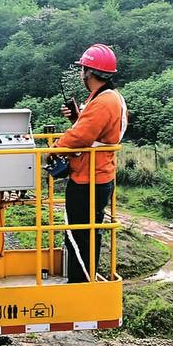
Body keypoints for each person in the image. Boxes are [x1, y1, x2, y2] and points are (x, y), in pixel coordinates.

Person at [56, 43, 128, 284]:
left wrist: (53, 149)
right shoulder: (108, 97)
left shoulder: (104, 101)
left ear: (88, 72)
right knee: (87, 232)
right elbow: (95, 132)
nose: (81, 74)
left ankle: (79, 283)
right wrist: (78, 117)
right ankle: (82, 278)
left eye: (82, 69)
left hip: (88, 179)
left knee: (79, 235)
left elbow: (81, 137)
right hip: (97, 175)